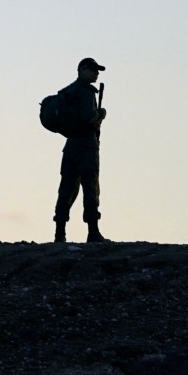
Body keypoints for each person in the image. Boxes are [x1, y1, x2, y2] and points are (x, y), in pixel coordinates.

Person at [53, 57, 108, 243]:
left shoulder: (68, 91)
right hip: (86, 144)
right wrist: (101, 114)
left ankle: (59, 232)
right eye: (93, 69)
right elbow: (88, 116)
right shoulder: (85, 92)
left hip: (70, 145)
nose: (96, 73)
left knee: (66, 188)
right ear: (82, 70)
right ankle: (93, 231)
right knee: (90, 187)